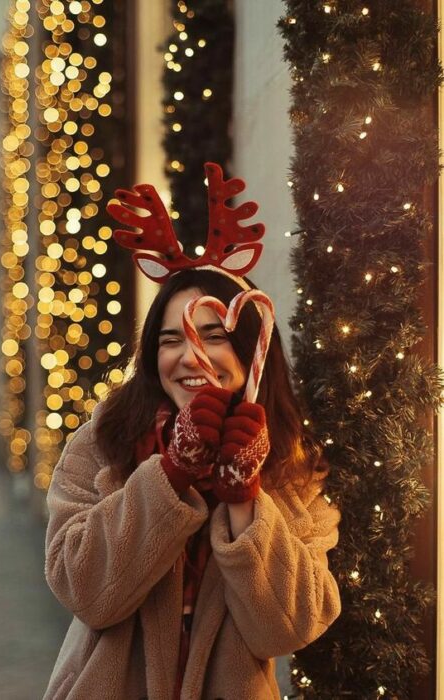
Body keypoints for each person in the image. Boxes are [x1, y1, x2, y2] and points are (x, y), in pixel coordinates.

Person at [43, 165, 341, 700]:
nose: (188, 357)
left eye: (212, 335)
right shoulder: (103, 441)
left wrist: (248, 498)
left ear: (251, 346)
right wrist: (172, 473)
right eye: (168, 340)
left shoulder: (291, 464)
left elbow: (289, 628)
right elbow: (84, 590)